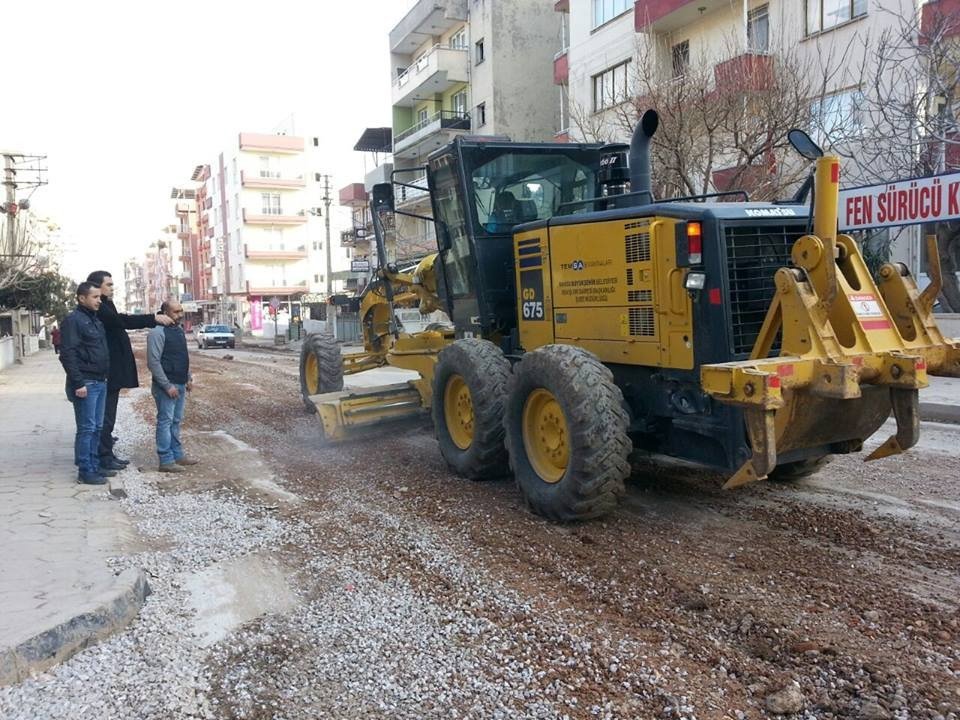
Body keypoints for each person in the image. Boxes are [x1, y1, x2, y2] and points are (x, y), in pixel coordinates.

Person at [86, 270, 173, 471]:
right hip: (107, 371)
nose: (112, 288)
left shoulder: (106, 305)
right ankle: (103, 457)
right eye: (108, 284)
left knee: (108, 416)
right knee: (104, 417)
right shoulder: (101, 309)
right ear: (97, 287)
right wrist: (153, 318)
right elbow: (122, 321)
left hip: (112, 371)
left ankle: (106, 454)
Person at [59, 283, 115, 485]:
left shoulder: (94, 320)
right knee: (87, 428)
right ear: (81, 298)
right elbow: (67, 354)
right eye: (95, 297)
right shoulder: (74, 321)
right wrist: (78, 382)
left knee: (97, 427)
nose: (99, 300)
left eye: (100, 297)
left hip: (100, 380)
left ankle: (94, 464)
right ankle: (85, 470)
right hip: (86, 382)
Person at [147, 299, 199, 473]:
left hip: (180, 383)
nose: (180, 315)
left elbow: (182, 356)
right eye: (176, 312)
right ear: (165, 313)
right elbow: (153, 362)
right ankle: (166, 460)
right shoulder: (157, 332)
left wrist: (188, 377)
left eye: (181, 311)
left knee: (175, 421)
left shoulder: (178, 330)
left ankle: (177, 455)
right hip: (166, 387)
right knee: (165, 422)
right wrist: (167, 385)